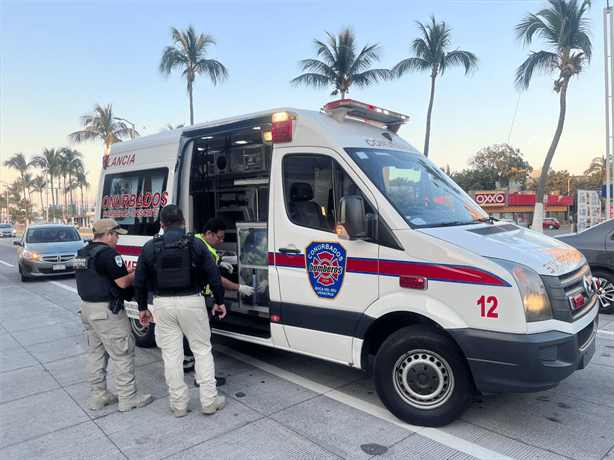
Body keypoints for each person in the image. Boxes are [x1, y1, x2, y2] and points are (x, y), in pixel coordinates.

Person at [135, 205, 227, 418]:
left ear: (161, 225)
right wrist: (219, 301)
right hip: (193, 302)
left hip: (162, 305)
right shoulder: (197, 244)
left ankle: (178, 406)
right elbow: (213, 275)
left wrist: (142, 309)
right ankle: (209, 401)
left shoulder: (149, 247)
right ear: (184, 223)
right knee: (202, 351)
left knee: (171, 357)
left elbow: (139, 282)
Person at [75, 218, 153, 412]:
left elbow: (99, 276)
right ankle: (128, 397)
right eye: (116, 234)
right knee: (123, 353)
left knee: (97, 353)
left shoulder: (84, 252)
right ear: (108, 234)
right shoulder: (109, 254)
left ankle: (98, 396)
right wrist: (135, 273)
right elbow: (123, 283)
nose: (118, 239)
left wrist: (122, 273)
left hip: (87, 309)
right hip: (107, 312)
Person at [182, 218, 255, 379]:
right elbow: (216, 279)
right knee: (203, 337)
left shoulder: (197, 241)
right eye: (220, 237)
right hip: (198, 297)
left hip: (188, 297)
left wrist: (218, 263)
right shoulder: (204, 249)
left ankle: (187, 363)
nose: (221, 241)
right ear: (209, 234)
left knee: (190, 333)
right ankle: (204, 378)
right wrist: (239, 288)